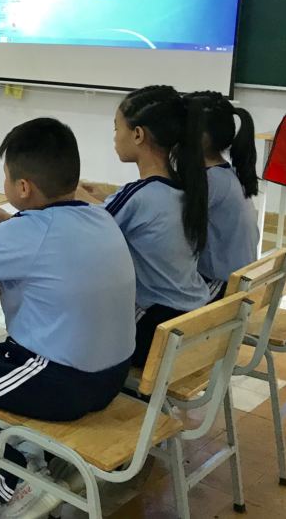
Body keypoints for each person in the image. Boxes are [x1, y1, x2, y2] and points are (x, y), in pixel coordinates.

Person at [0, 118, 136, 519]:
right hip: (112, 374)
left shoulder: (30, 231)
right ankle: (28, 461)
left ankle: (18, 488)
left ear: (22, 187)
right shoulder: (100, 217)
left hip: (63, 380)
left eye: (7, 178)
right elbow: (47, 243)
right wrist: (2, 224)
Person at [78, 85, 211, 366]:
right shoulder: (184, 187)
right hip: (195, 322)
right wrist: (101, 197)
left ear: (138, 134)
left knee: (73, 324)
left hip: (157, 329)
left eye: (117, 128)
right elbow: (120, 213)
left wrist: (71, 192)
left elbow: (91, 228)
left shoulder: (139, 194)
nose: (115, 137)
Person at [184, 92, 261, 301]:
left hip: (223, 289)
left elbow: (167, 224)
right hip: (233, 282)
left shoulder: (211, 181)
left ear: (199, 136)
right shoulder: (222, 173)